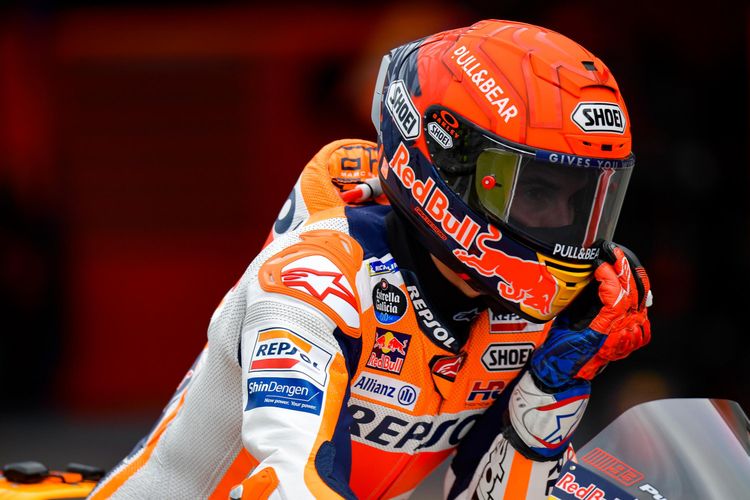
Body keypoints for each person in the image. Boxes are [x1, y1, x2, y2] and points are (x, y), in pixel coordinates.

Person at [89, 19, 651, 499]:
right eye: (536, 191)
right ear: (449, 163)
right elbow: (289, 484)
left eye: (583, 202)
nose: (566, 228)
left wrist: (549, 397)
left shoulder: (524, 314)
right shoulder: (314, 279)